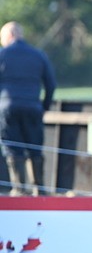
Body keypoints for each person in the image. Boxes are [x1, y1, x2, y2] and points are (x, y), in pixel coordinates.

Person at [0, 22, 57, 195]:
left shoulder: (2, 55)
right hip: (33, 107)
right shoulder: (38, 55)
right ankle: (38, 188)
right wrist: (43, 106)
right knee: (35, 148)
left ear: (8, 36)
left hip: (7, 107)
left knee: (12, 148)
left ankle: (18, 189)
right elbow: (51, 84)